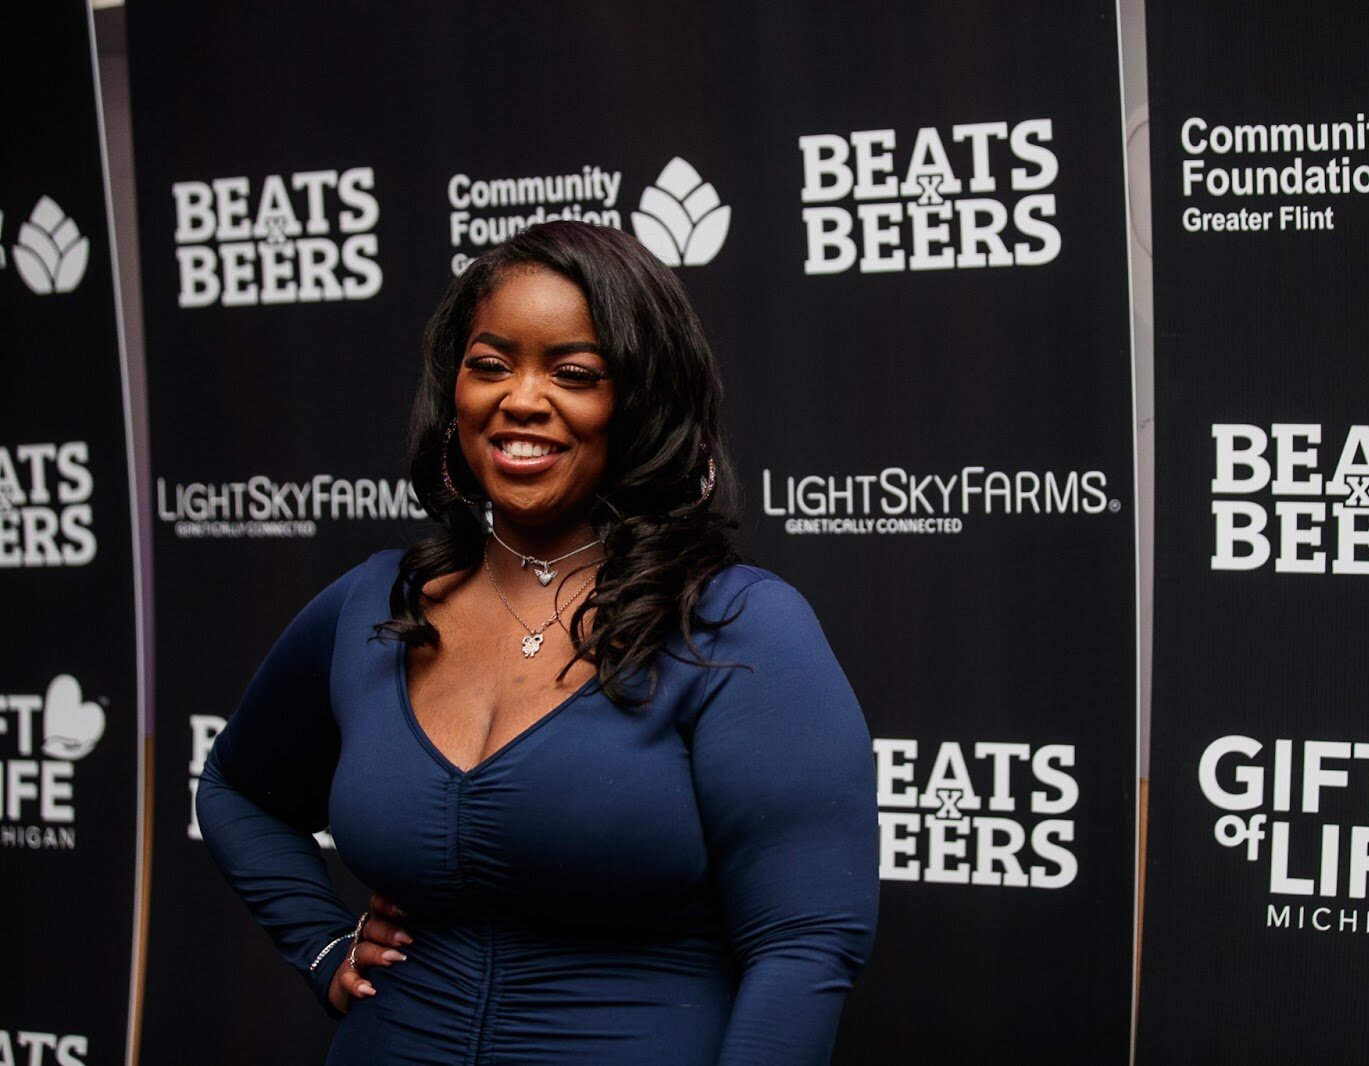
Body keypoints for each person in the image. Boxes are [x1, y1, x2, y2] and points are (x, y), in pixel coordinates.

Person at [197, 222, 879, 1065]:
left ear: (641, 402)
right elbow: (236, 788)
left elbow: (804, 946)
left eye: (574, 373)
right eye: (490, 366)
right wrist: (323, 948)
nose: (521, 398)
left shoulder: (737, 627)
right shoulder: (376, 603)